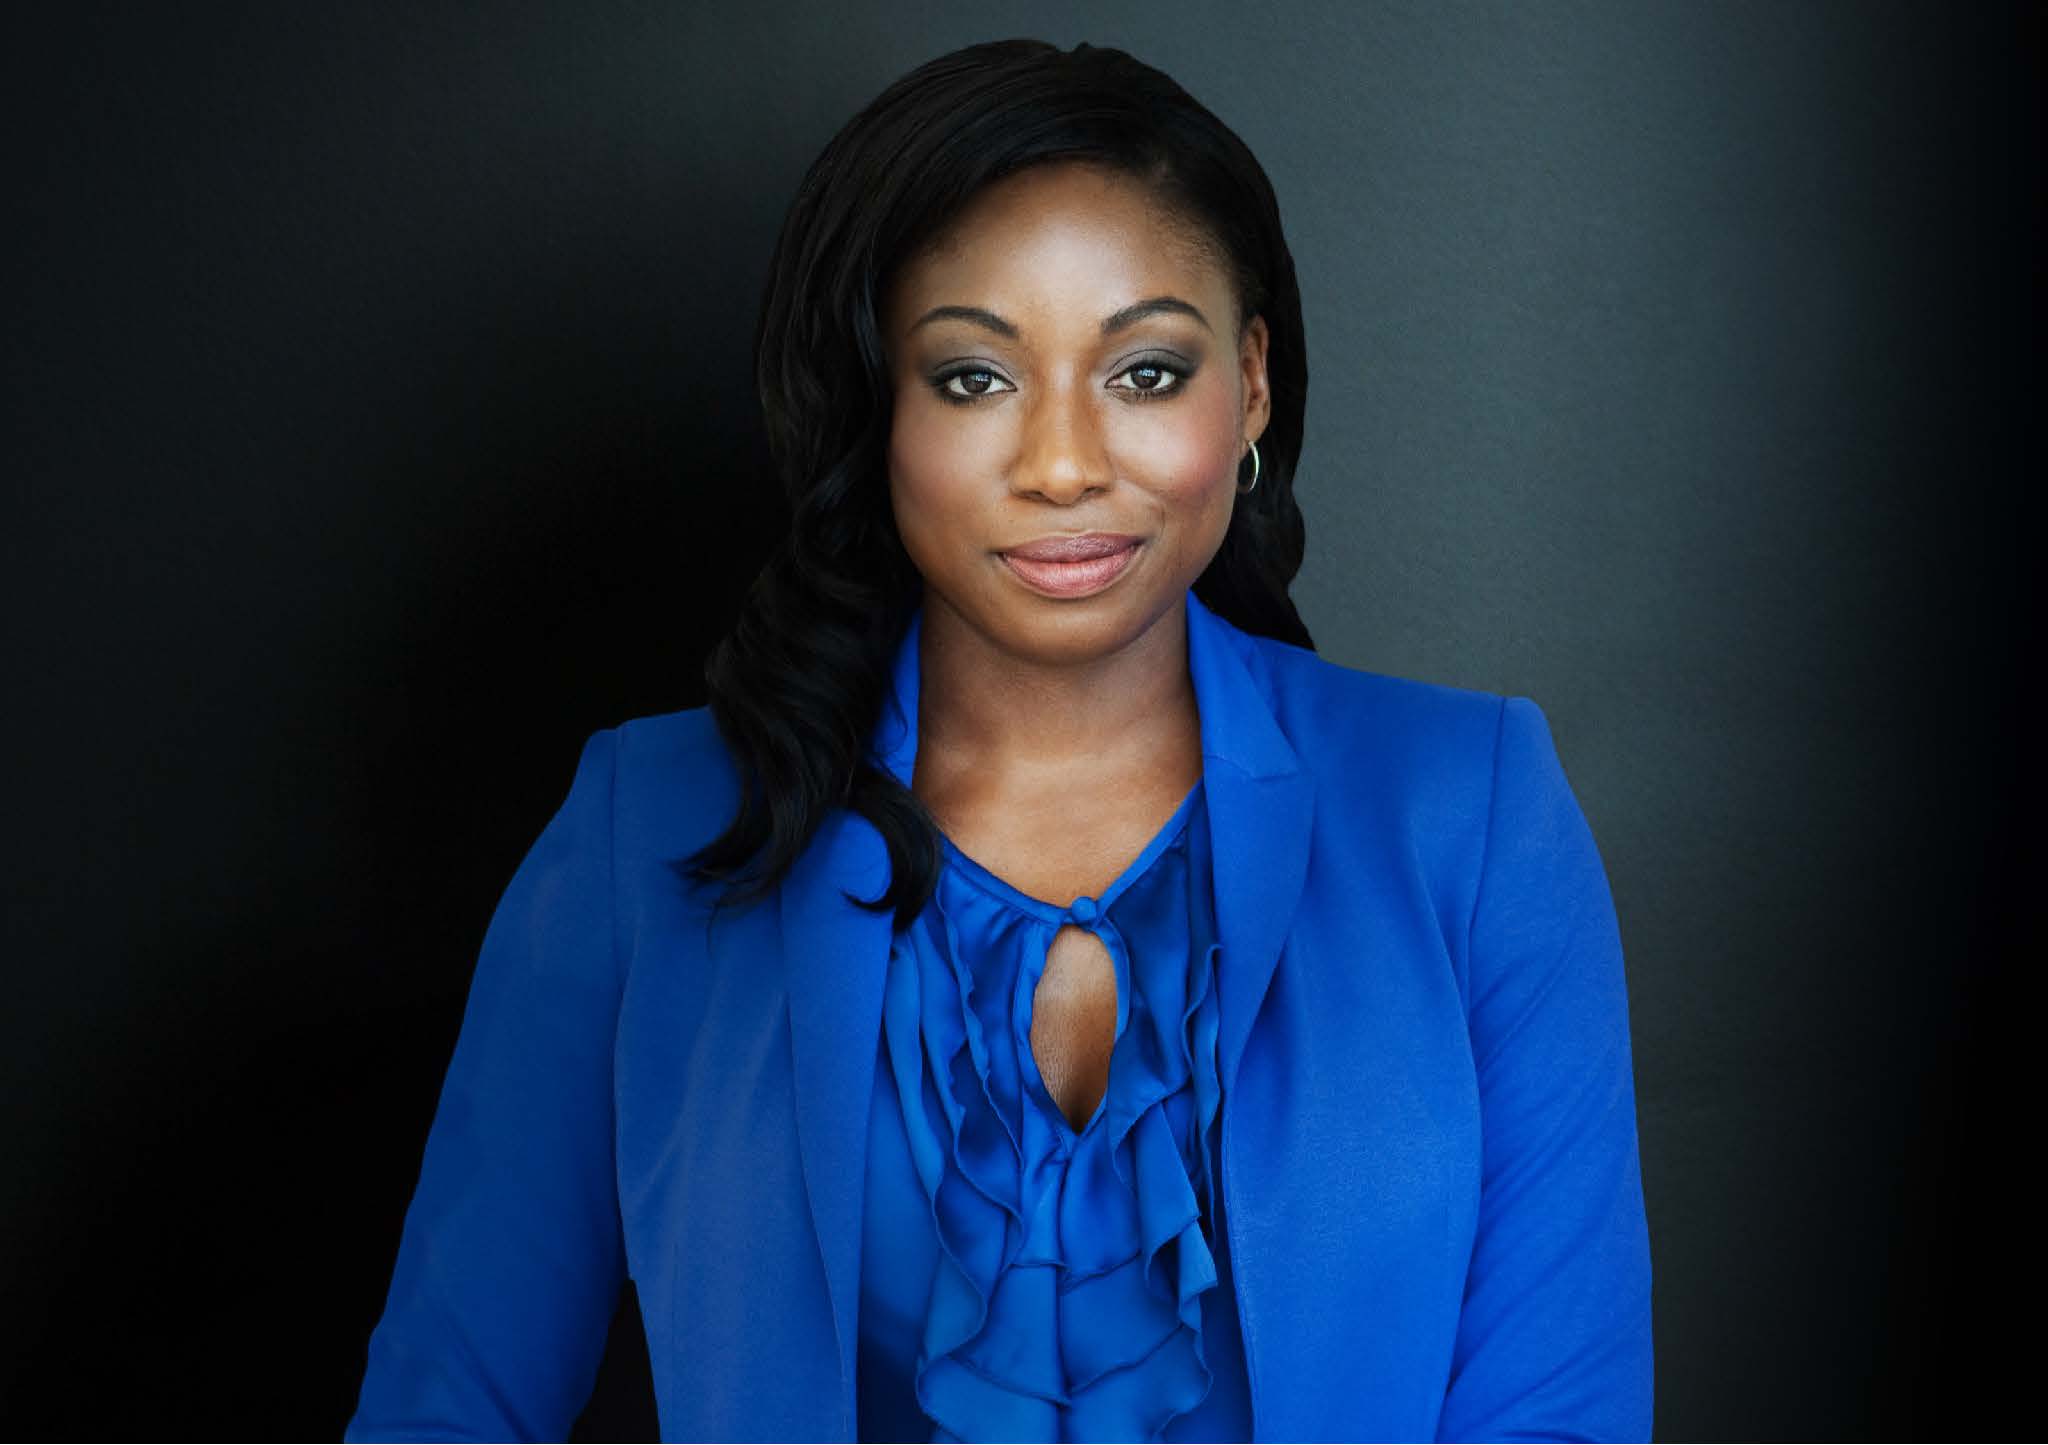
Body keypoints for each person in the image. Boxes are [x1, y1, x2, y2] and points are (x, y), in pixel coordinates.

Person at [345, 37, 1652, 1445]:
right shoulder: (643, 832)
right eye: (975, 379)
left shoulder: (1474, 816)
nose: (1065, 461)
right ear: (876, 407)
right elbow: (447, 1406)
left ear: (1253, 385)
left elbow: (1557, 1411)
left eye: (1147, 370)